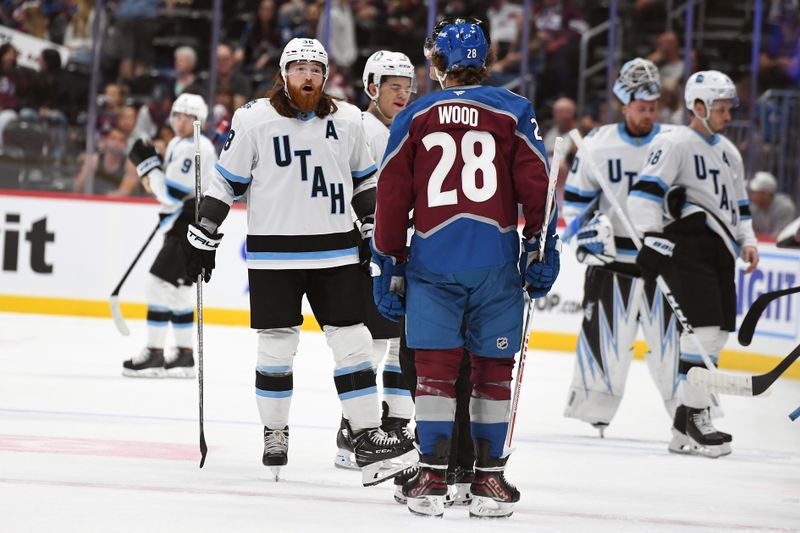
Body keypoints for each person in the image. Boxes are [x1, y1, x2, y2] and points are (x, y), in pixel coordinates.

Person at [182, 38, 415, 484]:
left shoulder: (347, 119)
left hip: (337, 252)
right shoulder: (253, 118)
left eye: (315, 69)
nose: (307, 76)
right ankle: (274, 432)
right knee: (275, 346)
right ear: (284, 73)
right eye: (298, 68)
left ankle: (366, 435)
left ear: (325, 76)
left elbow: (366, 184)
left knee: (352, 344)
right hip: (274, 256)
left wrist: (373, 230)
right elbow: (225, 182)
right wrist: (203, 233)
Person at [371, 20, 559, 517]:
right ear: (487, 58)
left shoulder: (413, 115)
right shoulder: (514, 110)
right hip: (495, 261)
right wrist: (541, 247)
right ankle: (488, 480)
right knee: (493, 373)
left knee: (434, 373)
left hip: (433, 260)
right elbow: (538, 186)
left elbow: (391, 197)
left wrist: (388, 260)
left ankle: (433, 478)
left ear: (436, 64)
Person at [627, 70, 760, 458]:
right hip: (688, 245)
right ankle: (698, 419)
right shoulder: (674, 143)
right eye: (720, 107)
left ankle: (682, 426)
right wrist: (651, 236)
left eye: (728, 107)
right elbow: (644, 194)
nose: (727, 114)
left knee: (716, 335)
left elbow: (741, 207)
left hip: (721, 250)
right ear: (697, 106)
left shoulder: (730, 152)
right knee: (700, 333)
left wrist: (747, 241)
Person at [562, 58, 685, 437]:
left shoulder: (675, 142)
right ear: (624, 104)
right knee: (604, 340)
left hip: (663, 259)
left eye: (653, 107)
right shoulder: (599, 143)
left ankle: (690, 412)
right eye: (641, 107)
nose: (647, 114)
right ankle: (594, 411)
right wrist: (586, 232)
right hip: (613, 259)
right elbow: (575, 205)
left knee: (673, 347)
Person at [334, 50, 417, 470]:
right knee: (372, 340)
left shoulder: (408, 129)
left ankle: (397, 422)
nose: (402, 95)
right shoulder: (358, 128)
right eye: (393, 87)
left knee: (400, 338)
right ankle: (355, 429)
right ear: (372, 88)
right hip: (368, 245)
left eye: (407, 87)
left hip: (400, 245)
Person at [121, 93, 217, 377]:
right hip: (183, 222)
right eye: (177, 115)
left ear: (199, 120)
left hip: (188, 223)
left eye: (187, 116)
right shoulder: (178, 143)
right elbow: (170, 194)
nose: (180, 121)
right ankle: (185, 355)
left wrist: (148, 169)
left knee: (157, 284)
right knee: (177, 290)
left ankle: (154, 353)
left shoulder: (196, 147)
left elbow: (171, 194)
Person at [747, 171, 796, 238]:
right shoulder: (753, 207)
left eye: (755, 192)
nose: (752, 194)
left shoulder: (785, 207)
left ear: (766, 194)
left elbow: (781, 236)